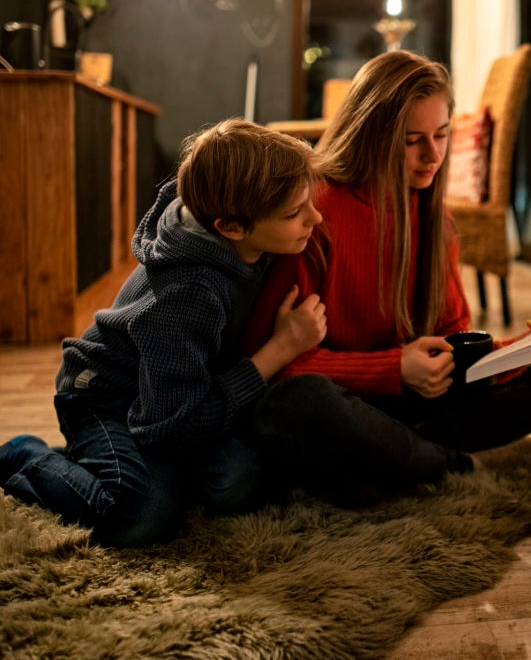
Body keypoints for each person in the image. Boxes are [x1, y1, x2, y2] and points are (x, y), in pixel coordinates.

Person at [242, 50, 531, 504]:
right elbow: (271, 364)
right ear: (371, 135)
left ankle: (388, 464)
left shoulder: (435, 217)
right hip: (344, 401)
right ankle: (451, 464)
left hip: (405, 405)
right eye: (412, 139)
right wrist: (394, 368)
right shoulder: (315, 214)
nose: (432, 155)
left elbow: (451, 339)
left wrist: (511, 353)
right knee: (297, 406)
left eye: (441, 134)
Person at [0, 118, 327, 547]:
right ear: (230, 226)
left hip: (175, 396)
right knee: (141, 514)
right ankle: (24, 455)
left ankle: (121, 464)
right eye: (294, 213)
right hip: (106, 396)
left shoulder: (233, 226)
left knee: (237, 480)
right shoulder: (189, 294)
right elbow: (173, 428)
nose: (316, 218)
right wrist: (279, 349)